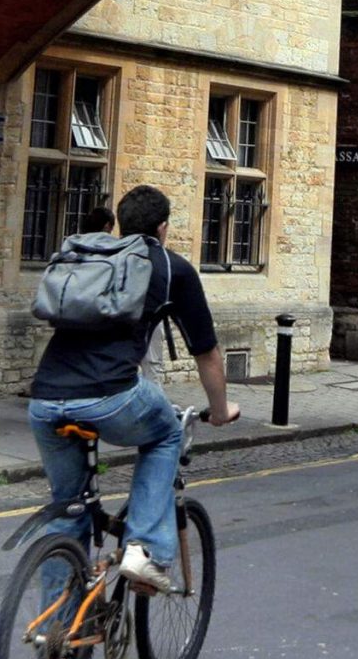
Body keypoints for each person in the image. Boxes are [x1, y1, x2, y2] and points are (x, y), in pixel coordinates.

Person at [27, 185, 237, 589]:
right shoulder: (171, 267)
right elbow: (206, 353)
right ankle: (146, 550)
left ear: (121, 224)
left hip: (45, 398)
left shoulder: (96, 258)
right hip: (111, 396)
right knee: (166, 433)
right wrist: (221, 409)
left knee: (67, 512)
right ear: (163, 227)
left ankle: (55, 637)